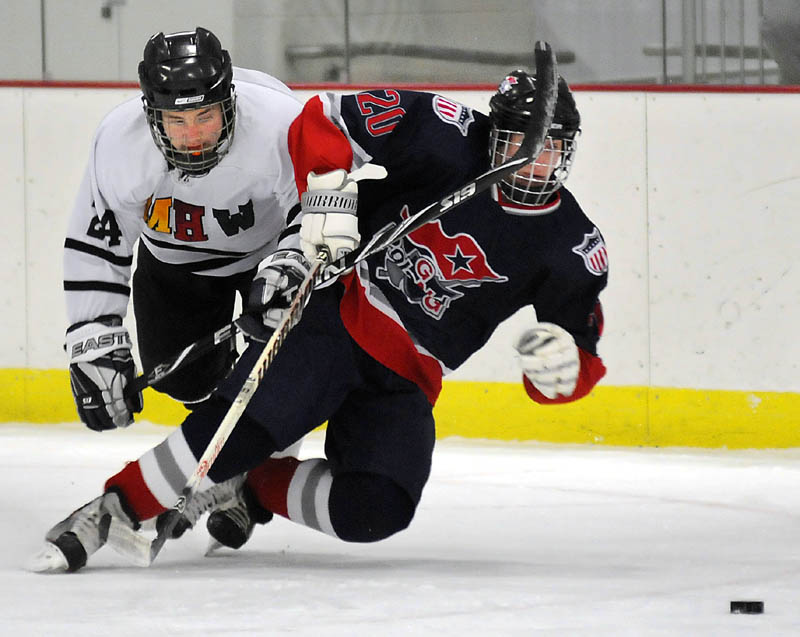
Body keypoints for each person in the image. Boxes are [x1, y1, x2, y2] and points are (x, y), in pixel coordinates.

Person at [31, 66, 609, 572]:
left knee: (378, 507)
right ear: (492, 132)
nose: (532, 163)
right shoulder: (443, 129)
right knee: (240, 426)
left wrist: (560, 371)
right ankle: (111, 508)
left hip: (411, 373)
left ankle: (255, 484)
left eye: (551, 148)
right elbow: (320, 117)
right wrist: (330, 198)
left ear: (570, 149)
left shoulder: (573, 244)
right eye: (516, 143)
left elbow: (577, 355)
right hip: (340, 311)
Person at [64, 26, 303, 431]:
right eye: (177, 120)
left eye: (204, 116)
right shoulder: (121, 143)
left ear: (229, 103)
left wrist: (297, 260)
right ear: (151, 114)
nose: (192, 136)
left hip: (268, 259)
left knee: (287, 371)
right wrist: (93, 335)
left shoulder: (279, 123)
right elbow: (100, 240)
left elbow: (319, 204)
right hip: (174, 267)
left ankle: (261, 457)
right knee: (181, 380)